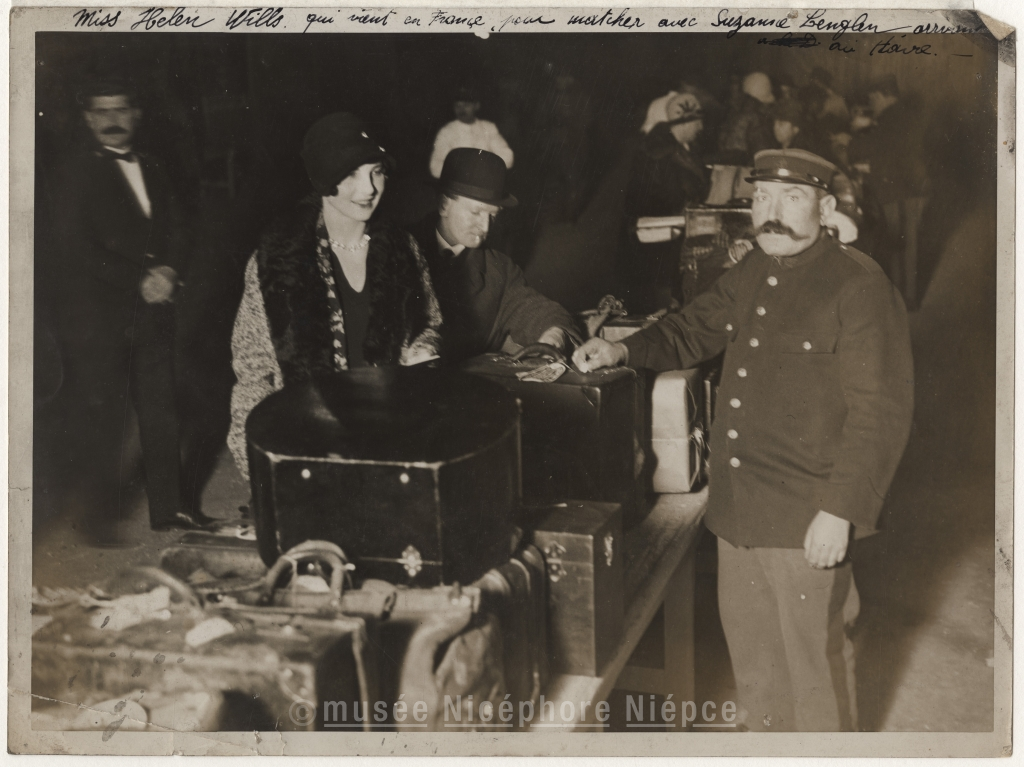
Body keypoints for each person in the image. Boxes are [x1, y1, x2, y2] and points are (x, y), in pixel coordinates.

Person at [574, 149, 914, 732]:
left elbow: (880, 413)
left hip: (807, 515)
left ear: (825, 209)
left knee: (816, 669)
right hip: (738, 512)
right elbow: (691, 328)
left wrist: (841, 511)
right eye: (761, 197)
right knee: (756, 670)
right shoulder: (756, 266)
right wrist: (622, 348)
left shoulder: (859, 286)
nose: (772, 212)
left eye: (792, 198)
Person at [228, 113, 442, 479]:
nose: (369, 188)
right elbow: (253, 371)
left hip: (391, 439)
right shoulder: (277, 260)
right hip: (310, 449)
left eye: (377, 172)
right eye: (351, 174)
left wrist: (423, 349)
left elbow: (430, 323)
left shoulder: (403, 249)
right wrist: (260, 466)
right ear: (324, 179)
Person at [49, 79, 209, 543]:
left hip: (155, 309)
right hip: (99, 317)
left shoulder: (154, 165)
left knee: (161, 410)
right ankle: (95, 520)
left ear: (136, 114)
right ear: (87, 118)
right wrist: (139, 279)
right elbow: (75, 247)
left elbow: (180, 224)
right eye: (101, 111)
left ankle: (170, 510)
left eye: (120, 109)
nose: (112, 119)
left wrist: (171, 270)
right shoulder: (73, 172)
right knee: (104, 419)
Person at [413, 148, 581, 363]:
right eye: (476, 212)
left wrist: (554, 334)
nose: (485, 227)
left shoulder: (499, 269)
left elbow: (539, 311)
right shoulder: (396, 248)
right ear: (444, 205)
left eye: (493, 215)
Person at [622, 91, 710, 311]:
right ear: (684, 122)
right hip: (658, 243)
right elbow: (657, 201)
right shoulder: (659, 155)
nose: (701, 127)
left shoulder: (681, 148)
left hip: (671, 235)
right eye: (697, 122)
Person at [851, 75, 930, 309]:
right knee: (904, 244)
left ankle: (906, 299)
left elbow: (887, 153)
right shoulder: (902, 116)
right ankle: (904, 296)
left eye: (872, 100)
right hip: (907, 189)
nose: (872, 105)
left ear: (880, 96)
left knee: (902, 245)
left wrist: (863, 156)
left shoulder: (892, 118)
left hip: (900, 191)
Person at [428, 86, 514, 180]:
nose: (461, 110)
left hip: (485, 182)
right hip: (458, 183)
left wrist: (485, 169)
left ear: (476, 106)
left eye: (466, 105)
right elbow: (435, 166)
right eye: (457, 106)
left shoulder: (488, 128)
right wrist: (461, 171)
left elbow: (507, 158)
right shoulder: (446, 132)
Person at [717, 71, 777, 164]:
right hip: (745, 166)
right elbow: (762, 154)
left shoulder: (733, 110)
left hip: (726, 164)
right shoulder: (757, 117)